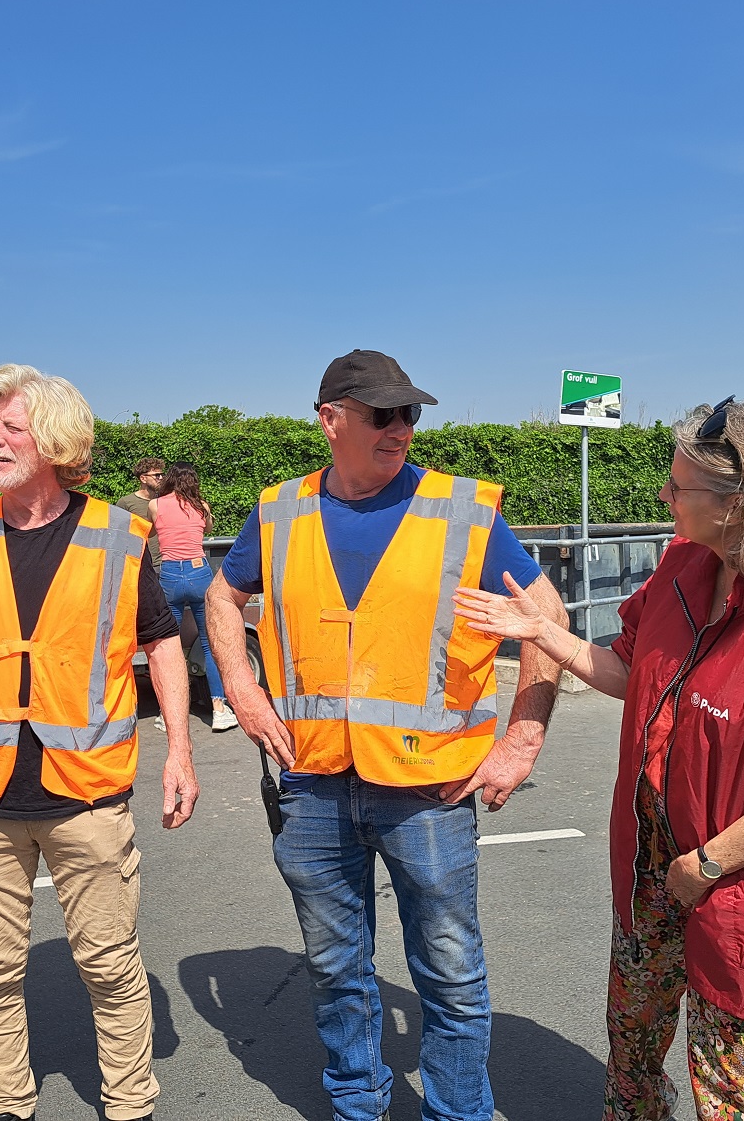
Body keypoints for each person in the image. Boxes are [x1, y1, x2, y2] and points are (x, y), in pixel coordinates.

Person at [454, 397, 744, 1120]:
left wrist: (707, 864)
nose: (664, 496)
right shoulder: (687, 563)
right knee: (631, 1041)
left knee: (736, 1076)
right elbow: (628, 668)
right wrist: (543, 632)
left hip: (734, 880)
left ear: (743, 502)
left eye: (679, 487)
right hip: (651, 862)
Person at [204, 349, 570, 1121]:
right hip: (312, 783)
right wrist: (242, 690)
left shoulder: (462, 510)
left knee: (449, 973)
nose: (402, 427)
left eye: (410, 413)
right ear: (330, 419)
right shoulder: (279, 510)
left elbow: (550, 619)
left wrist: (521, 741)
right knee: (336, 967)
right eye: (383, 413)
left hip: (429, 791)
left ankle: (456, 1112)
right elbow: (221, 595)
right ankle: (358, 1105)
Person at [0, 364, 198, 1121]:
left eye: (11, 426)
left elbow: (164, 645)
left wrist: (179, 750)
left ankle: (129, 1104)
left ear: (55, 439)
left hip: (86, 793)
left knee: (111, 967)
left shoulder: (120, 534)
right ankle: (4, 1106)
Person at [149, 462, 236, 731]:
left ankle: (168, 714)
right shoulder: (202, 506)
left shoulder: (156, 506)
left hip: (171, 574)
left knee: (169, 647)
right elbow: (208, 529)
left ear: (170, 480)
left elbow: (151, 530)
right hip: (199, 573)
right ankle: (219, 710)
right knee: (210, 644)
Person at [116, 457, 165, 573]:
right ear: (143, 478)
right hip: (140, 566)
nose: (161, 478)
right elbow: (119, 535)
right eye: (157, 475)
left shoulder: (165, 501)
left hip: (166, 564)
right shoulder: (126, 503)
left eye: (162, 474)